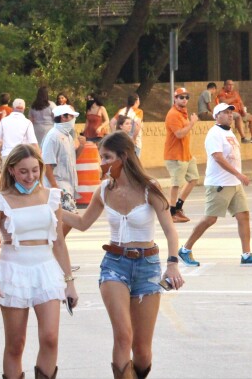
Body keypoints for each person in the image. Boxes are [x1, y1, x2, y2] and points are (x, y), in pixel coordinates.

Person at [61, 132, 185, 379]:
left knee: (142, 350)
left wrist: (172, 265)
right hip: (114, 266)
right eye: (100, 157)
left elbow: (170, 230)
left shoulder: (150, 188)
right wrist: (51, 207)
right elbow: (83, 223)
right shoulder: (105, 189)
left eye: (106, 157)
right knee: (123, 336)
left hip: (148, 267)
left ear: (124, 156)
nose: (102, 163)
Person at [0, 145, 77, 379]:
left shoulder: (52, 197)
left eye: (35, 170)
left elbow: (58, 242)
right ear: (12, 171)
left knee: (50, 337)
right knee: (16, 343)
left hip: (46, 270)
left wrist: (69, 282)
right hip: (12, 271)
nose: (30, 177)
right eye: (24, 171)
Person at [177, 103, 252, 268]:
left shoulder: (230, 133)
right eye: (226, 112)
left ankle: (246, 255)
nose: (230, 115)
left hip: (233, 184)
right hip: (219, 184)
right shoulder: (214, 134)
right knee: (210, 219)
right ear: (217, 116)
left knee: (244, 215)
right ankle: (185, 249)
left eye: (231, 112)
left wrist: (237, 178)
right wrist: (239, 175)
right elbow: (218, 158)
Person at [40, 105, 86, 233]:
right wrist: (54, 186)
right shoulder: (53, 136)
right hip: (59, 184)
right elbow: (47, 164)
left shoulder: (68, 137)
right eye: (71, 116)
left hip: (68, 184)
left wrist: (81, 146)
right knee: (73, 216)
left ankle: (55, 243)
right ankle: (56, 242)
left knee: (61, 218)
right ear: (63, 117)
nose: (73, 120)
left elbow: (72, 158)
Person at [163, 87, 199, 223]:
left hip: (186, 154)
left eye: (186, 97)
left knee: (194, 179)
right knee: (176, 183)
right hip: (175, 155)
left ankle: (178, 206)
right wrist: (192, 123)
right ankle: (172, 212)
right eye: (181, 97)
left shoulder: (183, 113)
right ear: (175, 98)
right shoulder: (173, 114)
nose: (184, 100)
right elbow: (179, 134)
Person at [0, 98, 39, 163]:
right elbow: (33, 143)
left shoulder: (4, 121)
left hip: (7, 155)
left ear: (12, 108)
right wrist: (39, 157)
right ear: (24, 109)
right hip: (22, 156)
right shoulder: (27, 123)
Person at [217, 80, 252, 144]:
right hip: (229, 112)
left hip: (239, 111)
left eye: (232, 85)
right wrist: (233, 98)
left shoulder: (235, 93)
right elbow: (223, 102)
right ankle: (243, 138)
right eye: (229, 85)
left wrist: (243, 111)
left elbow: (240, 102)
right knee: (238, 116)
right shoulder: (221, 92)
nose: (231, 86)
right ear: (224, 86)